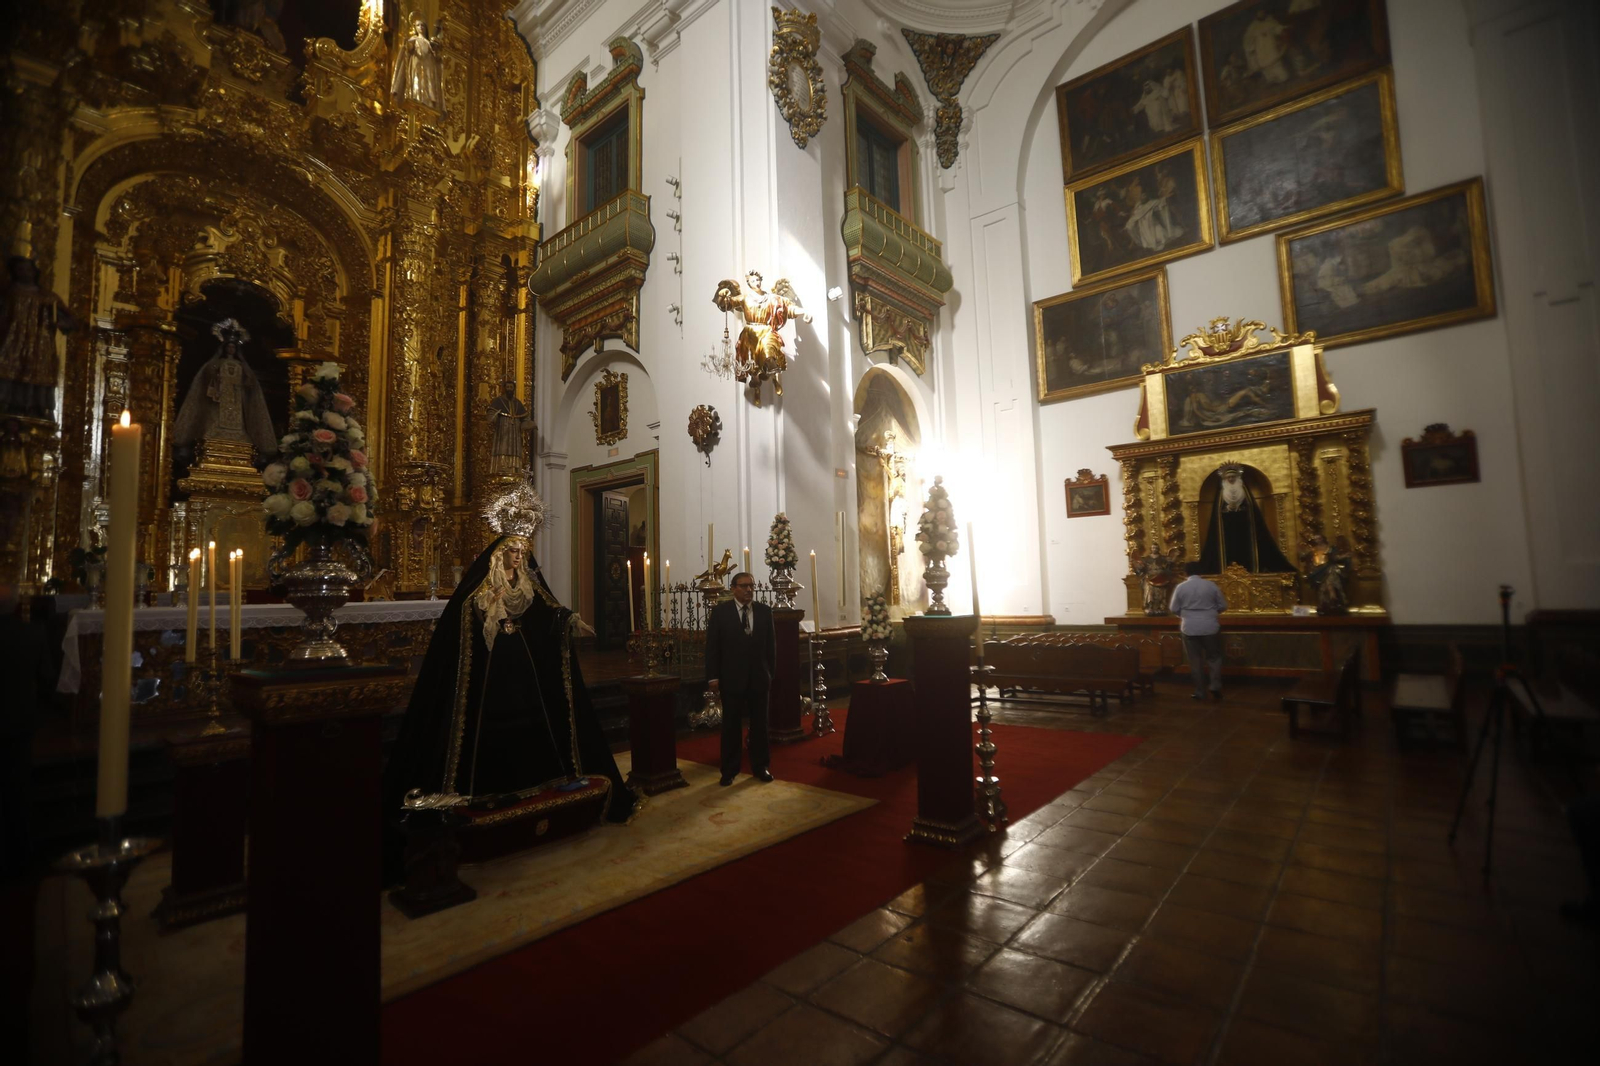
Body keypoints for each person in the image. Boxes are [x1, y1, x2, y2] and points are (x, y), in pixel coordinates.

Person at [382, 484, 638, 879]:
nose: (520, 556)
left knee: (530, 717)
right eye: (514, 551)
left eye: (523, 551)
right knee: (490, 722)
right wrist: (490, 605)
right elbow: (465, 617)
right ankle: (485, 784)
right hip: (490, 672)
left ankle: (536, 777)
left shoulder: (527, 583)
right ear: (500, 551)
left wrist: (570, 620)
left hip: (524, 669)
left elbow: (546, 608)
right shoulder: (481, 585)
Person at [704, 571, 775, 786]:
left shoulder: (764, 612)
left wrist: (770, 674)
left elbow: (771, 647)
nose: (748, 590)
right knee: (731, 726)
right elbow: (713, 647)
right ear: (733, 588)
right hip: (731, 678)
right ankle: (729, 770)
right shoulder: (721, 613)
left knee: (760, 725)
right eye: (744, 586)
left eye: (751, 586)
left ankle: (761, 766)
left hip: (759, 678)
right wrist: (713, 677)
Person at [1168, 560, 1228, 701]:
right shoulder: (1211, 585)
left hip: (1189, 627)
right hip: (1210, 626)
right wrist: (1211, 613)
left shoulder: (1181, 587)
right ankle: (1215, 686)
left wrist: (1185, 614)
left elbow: (1173, 608)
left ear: (1185, 573)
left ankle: (1200, 691)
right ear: (1201, 572)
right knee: (1214, 658)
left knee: (1195, 660)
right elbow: (1223, 605)